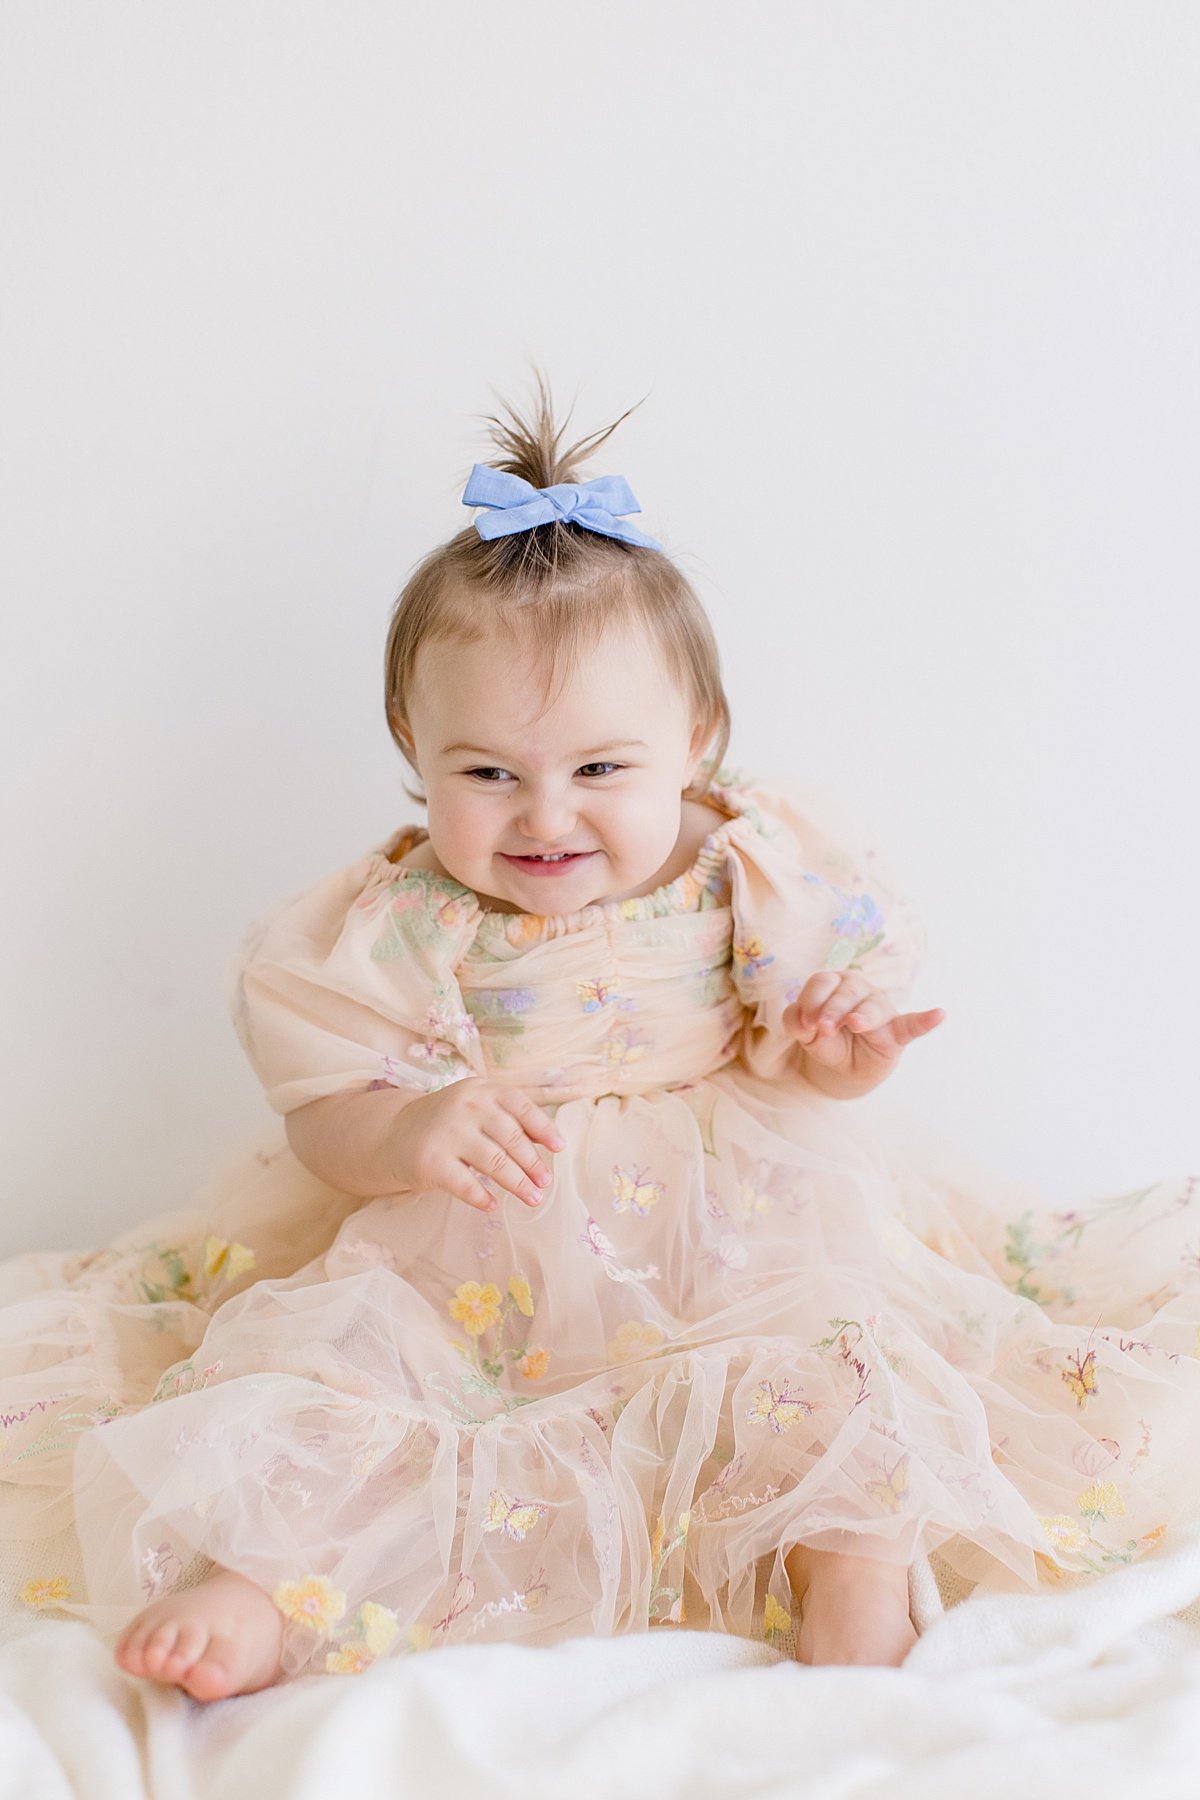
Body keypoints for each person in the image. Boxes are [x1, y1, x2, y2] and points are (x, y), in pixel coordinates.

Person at [4, 372, 1196, 1703]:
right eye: (489, 773)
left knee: (832, 1359)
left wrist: (834, 1053)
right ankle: (259, 1585)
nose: (545, 816)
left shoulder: (755, 866)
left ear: (694, 740)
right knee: (346, 1362)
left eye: (599, 769)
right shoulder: (398, 921)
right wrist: (408, 1128)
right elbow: (325, 1110)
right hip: (478, 1231)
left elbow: (799, 1054)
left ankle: (851, 1575)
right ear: (414, 742)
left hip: (741, 1215)